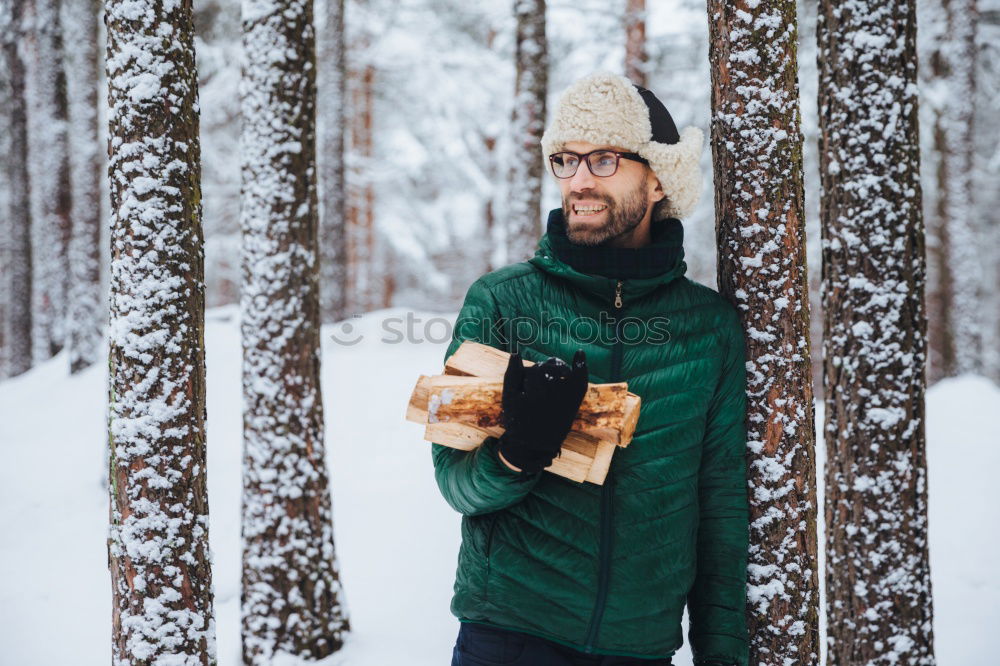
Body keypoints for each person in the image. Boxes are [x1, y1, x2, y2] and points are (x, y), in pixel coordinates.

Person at [432, 71, 749, 666]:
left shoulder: (709, 327)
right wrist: (515, 454)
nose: (578, 180)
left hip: (642, 644)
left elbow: (721, 503)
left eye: (603, 159)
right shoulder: (503, 303)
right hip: (510, 632)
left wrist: (723, 653)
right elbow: (456, 482)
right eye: (566, 159)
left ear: (658, 180)